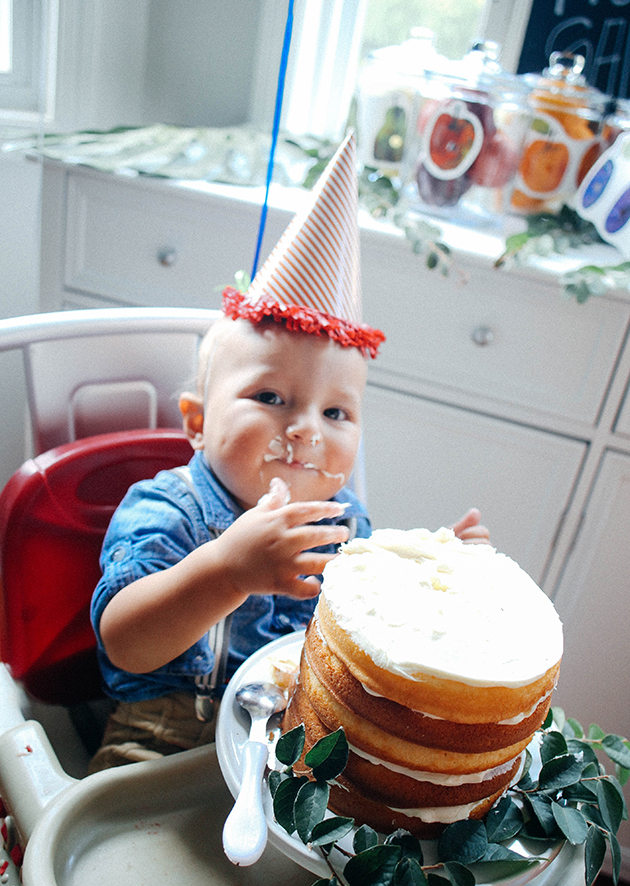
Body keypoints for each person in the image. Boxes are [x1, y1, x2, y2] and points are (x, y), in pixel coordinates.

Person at [88, 136, 487, 772]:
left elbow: (375, 616)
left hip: (294, 738)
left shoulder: (345, 521)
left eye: (336, 413)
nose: (305, 431)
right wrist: (226, 569)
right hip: (165, 738)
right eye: (271, 396)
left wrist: (433, 573)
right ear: (195, 421)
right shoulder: (169, 508)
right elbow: (125, 644)